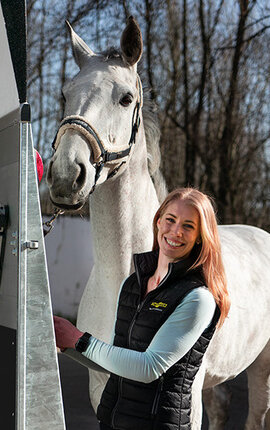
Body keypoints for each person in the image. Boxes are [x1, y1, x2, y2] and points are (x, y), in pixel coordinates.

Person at [54, 187, 230, 430]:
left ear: (200, 236)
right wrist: (67, 343)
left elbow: (149, 367)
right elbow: (117, 362)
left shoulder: (197, 298)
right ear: (158, 221)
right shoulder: (132, 284)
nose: (176, 231)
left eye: (188, 226)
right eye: (170, 219)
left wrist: (79, 339)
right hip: (112, 421)